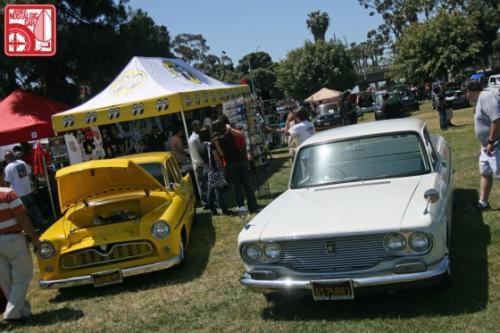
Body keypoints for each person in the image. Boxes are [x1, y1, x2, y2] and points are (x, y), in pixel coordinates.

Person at [0, 165, 41, 323]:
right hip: (12, 238)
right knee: (23, 277)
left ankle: (21, 311)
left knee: (5, 280)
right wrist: (35, 239)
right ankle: (12, 313)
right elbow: (22, 218)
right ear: (2, 175)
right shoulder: (8, 193)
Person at [465, 80, 500, 210]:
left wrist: (490, 141)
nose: (466, 96)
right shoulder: (481, 100)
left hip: (496, 144)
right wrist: (483, 145)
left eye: (466, 93)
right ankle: (483, 203)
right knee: (485, 173)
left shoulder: (487, 97)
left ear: (470, 90)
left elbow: (497, 120)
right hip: (487, 146)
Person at [212, 119, 258, 214]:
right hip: (240, 160)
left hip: (230, 164)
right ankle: (253, 207)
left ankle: (242, 209)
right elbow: (242, 134)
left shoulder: (217, 138)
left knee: (237, 188)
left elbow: (222, 154)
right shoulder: (230, 132)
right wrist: (230, 128)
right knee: (247, 185)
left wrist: (217, 144)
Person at [3, 151, 47, 229]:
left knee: (23, 211)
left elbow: (7, 182)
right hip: (28, 189)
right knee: (33, 207)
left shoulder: (8, 167)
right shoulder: (22, 162)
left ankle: (32, 225)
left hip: (18, 193)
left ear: (7, 158)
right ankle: (41, 222)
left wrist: (8, 194)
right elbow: (29, 173)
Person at [200, 127, 230, 215]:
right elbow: (217, 157)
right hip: (213, 169)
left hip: (205, 169)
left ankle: (213, 210)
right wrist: (222, 168)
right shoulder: (210, 145)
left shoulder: (200, 145)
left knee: (210, 190)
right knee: (218, 190)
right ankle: (224, 210)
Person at [188, 120, 207, 207]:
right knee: (203, 184)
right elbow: (201, 151)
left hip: (199, 163)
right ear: (194, 127)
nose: (200, 127)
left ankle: (207, 201)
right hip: (200, 164)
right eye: (199, 125)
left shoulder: (193, 138)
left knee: (203, 183)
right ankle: (206, 202)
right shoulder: (194, 139)